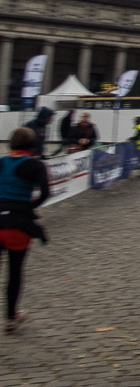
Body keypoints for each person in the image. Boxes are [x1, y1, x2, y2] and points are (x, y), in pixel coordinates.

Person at [0, 127, 50, 333]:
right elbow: (45, 193)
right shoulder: (36, 165)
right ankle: (12, 317)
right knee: (14, 272)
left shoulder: (2, 161)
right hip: (18, 224)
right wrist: (30, 206)